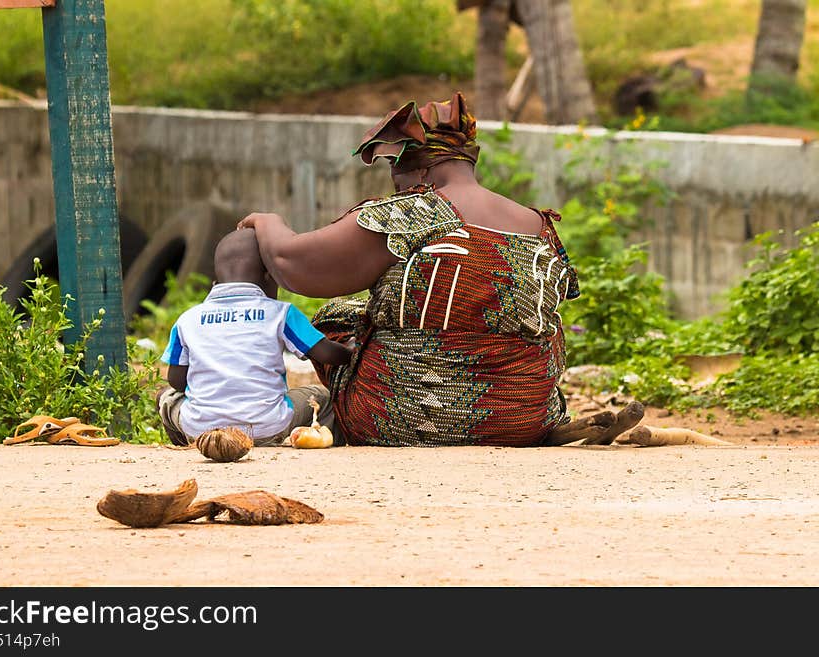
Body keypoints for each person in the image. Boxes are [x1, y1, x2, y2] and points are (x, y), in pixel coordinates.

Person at [236, 92, 640, 447]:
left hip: (405, 418)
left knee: (336, 317)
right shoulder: (537, 224)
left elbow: (296, 266)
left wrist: (266, 220)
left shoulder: (417, 211)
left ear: (420, 168)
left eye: (396, 169)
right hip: (524, 418)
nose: (395, 182)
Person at [155, 227, 352, 447]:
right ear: (270, 277)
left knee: (167, 397)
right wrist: (354, 352)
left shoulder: (187, 320)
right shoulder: (280, 314)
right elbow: (326, 353)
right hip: (268, 427)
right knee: (321, 397)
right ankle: (328, 441)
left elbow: (176, 381)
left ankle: (192, 444)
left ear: (215, 282)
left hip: (201, 428)